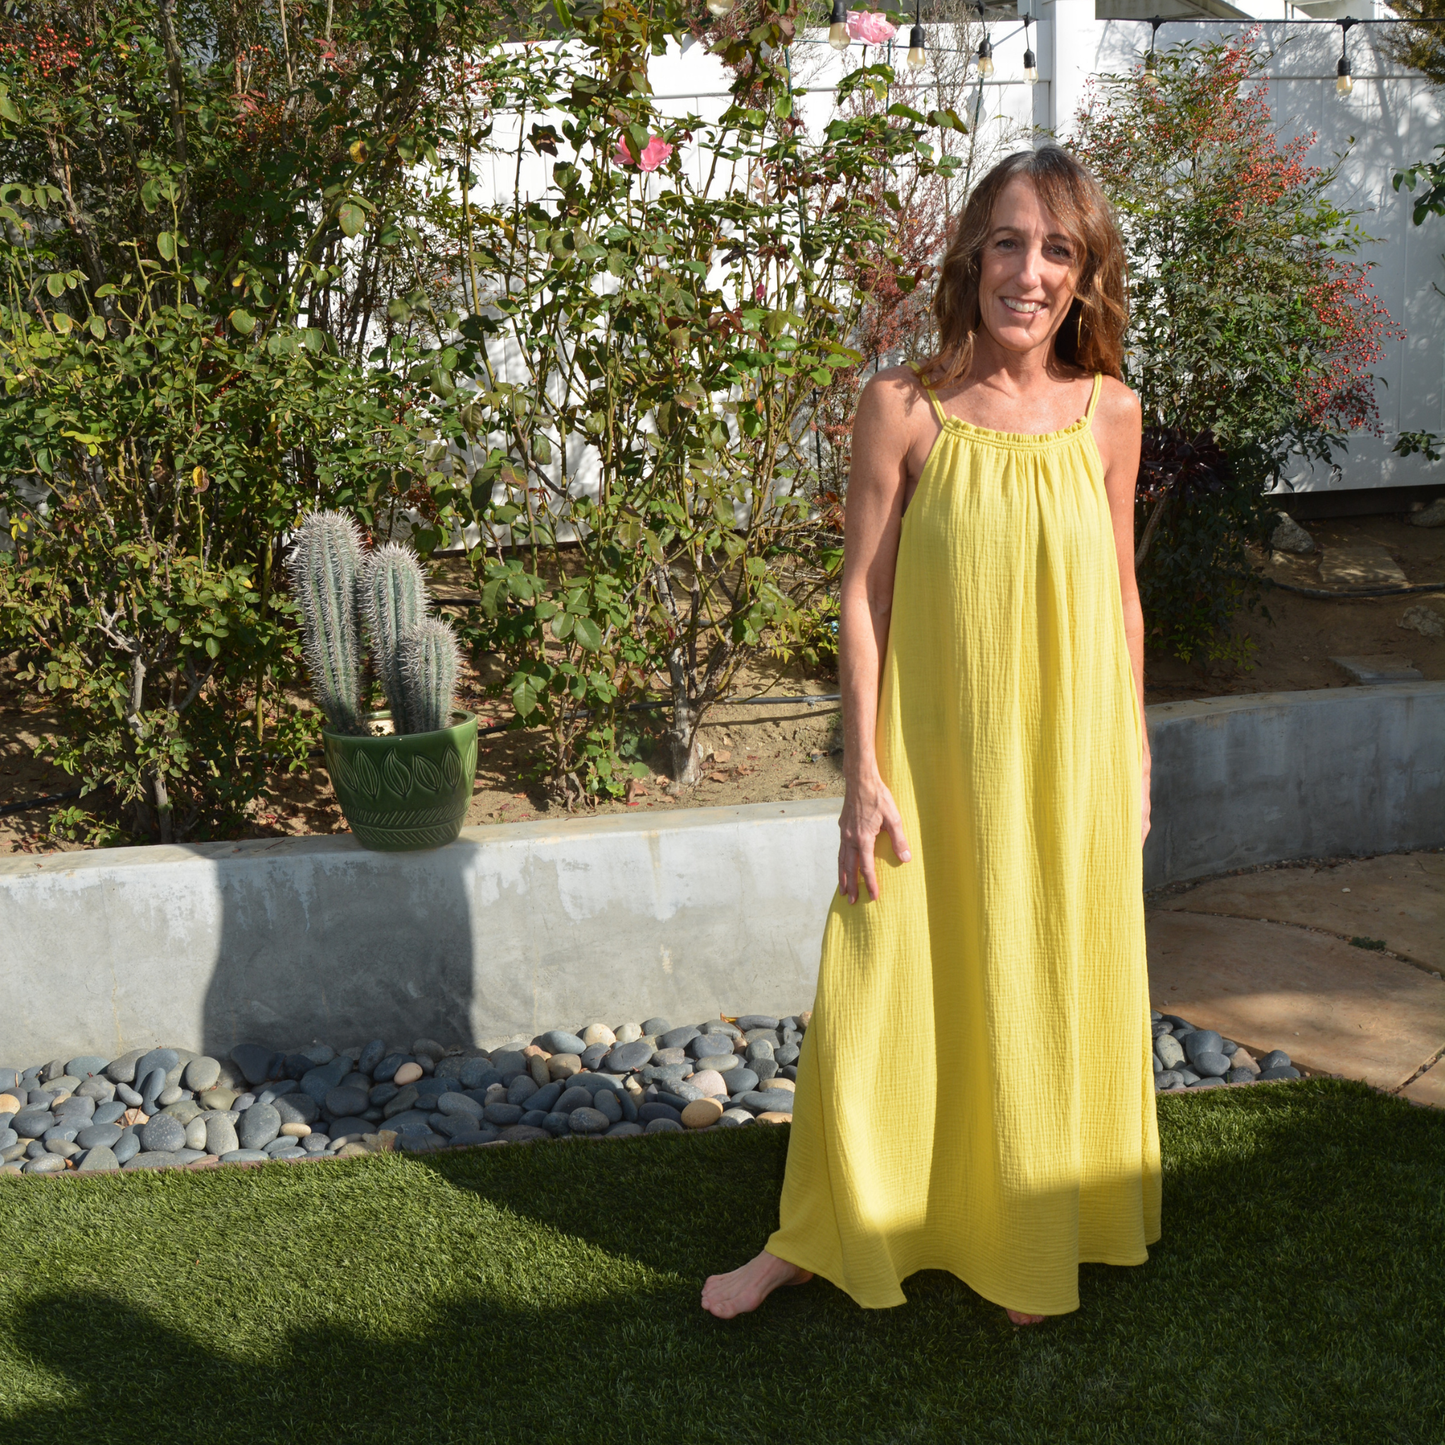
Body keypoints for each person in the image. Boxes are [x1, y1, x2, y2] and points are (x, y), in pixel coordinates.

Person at [701, 146, 1160, 1326]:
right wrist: (859, 773)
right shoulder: (899, 410)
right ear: (972, 255)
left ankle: (1025, 1234)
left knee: (1041, 974)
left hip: (1071, 760)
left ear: (1083, 274)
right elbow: (861, 594)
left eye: (1056, 249)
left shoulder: (1110, 415)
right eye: (1008, 241)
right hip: (927, 761)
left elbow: (1117, 594)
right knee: (880, 977)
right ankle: (814, 1233)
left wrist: (1136, 751)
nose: (1029, 270)